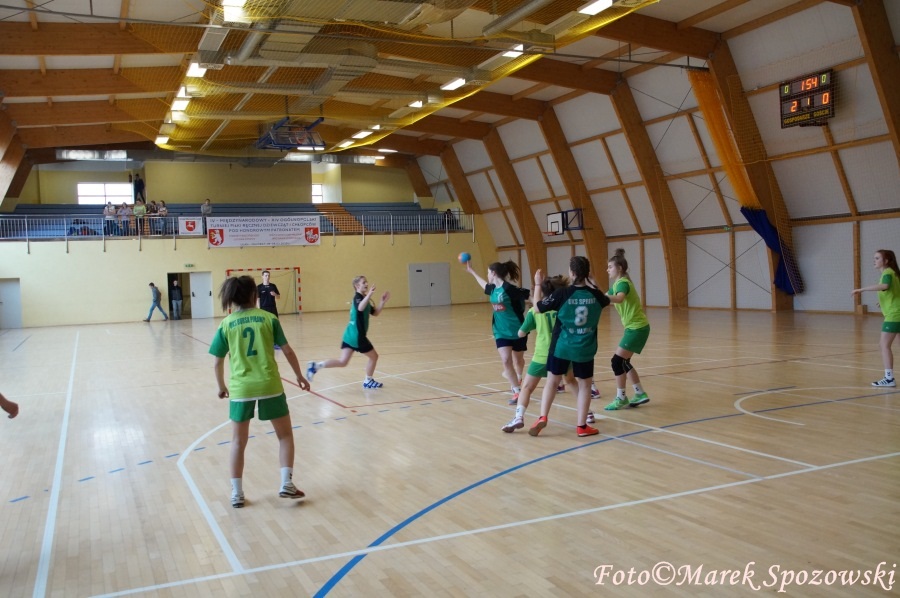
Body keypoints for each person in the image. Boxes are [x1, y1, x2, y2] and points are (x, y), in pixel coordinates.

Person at [209, 275, 310, 508]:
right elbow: (288, 351)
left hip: (241, 388)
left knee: (238, 442)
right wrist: (299, 375)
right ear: (254, 295)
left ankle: (237, 493)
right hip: (269, 384)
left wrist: (221, 386)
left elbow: (217, 361)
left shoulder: (226, 324)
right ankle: (286, 483)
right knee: (285, 436)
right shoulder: (268, 318)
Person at [528, 256, 611, 437]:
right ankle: (582, 426)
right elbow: (606, 299)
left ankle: (543, 416)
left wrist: (537, 284)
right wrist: (593, 281)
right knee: (585, 386)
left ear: (572, 273)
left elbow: (537, 308)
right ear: (587, 273)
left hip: (562, 346)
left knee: (552, 382)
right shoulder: (596, 295)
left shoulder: (562, 294)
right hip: (585, 348)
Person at [501, 273, 572, 433]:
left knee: (527, 387)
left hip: (541, 355)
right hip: (563, 353)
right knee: (572, 381)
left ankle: (518, 417)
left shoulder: (535, 311)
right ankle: (587, 414)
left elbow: (521, 333)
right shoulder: (564, 308)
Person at [306, 275, 390, 389]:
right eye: (364, 282)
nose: (366, 284)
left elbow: (375, 313)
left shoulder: (364, 299)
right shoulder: (358, 298)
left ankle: (316, 366)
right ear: (357, 286)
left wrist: (382, 302)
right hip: (357, 336)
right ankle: (368, 380)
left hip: (349, 335)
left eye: (366, 282)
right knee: (374, 357)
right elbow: (360, 308)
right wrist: (369, 294)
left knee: (343, 362)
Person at [465, 260, 529, 404]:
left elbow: (528, 295)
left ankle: (519, 377)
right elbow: (484, 285)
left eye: (488, 272)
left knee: (518, 360)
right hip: (500, 331)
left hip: (517, 329)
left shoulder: (509, 289)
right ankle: (517, 391)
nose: (487, 275)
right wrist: (472, 272)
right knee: (506, 360)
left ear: (493, 273)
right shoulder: (493, 289)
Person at [603, 248, 652, 410]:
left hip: (637, 328)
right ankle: (640, 393)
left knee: (616, 362)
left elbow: (618, 299)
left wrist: (601, 297)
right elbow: (603, 297)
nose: (607, 270)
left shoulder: (623, 283)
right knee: (624, 362)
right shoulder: (617, 284)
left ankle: (621, 398)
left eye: (610, 267)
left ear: (619, 268)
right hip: (636, 328)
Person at [852, 249, 900, 387]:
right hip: (897, 312)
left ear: (886, 261)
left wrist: (861, 289)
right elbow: (893, 292)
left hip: (894, 315)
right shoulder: (895, 273)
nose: (874, 260)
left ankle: (889, 379)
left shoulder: (887, 273)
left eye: (877, 258)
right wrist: (883, 301)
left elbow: (885, 286)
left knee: (883, 345)